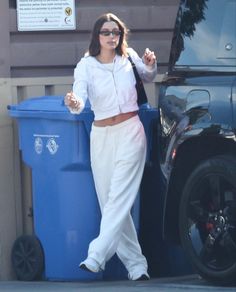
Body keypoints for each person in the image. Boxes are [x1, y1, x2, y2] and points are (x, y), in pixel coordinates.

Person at [64, 12, 157, 281]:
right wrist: (73, 103)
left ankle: (96, 255)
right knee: (111, 203)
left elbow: (148, 76)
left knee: (118, 198)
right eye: (105, 32)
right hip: (102, 136)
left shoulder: (129, 57)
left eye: (115, 32)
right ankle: (137, 266)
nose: (111, 37)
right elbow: (80, 99)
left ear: (120, 35)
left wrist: (150, 65)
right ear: (96, 36)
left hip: (131, 131)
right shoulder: (86, 66)